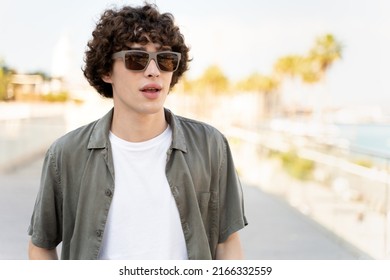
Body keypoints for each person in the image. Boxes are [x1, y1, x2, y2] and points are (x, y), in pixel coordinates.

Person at [28, 3, 247, 260]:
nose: (153, 71)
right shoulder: (66, 154)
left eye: (165, 59)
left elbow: (227, 241)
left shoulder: (210, 145)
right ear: (106, 70)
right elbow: (41, 245)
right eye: (137, 59)